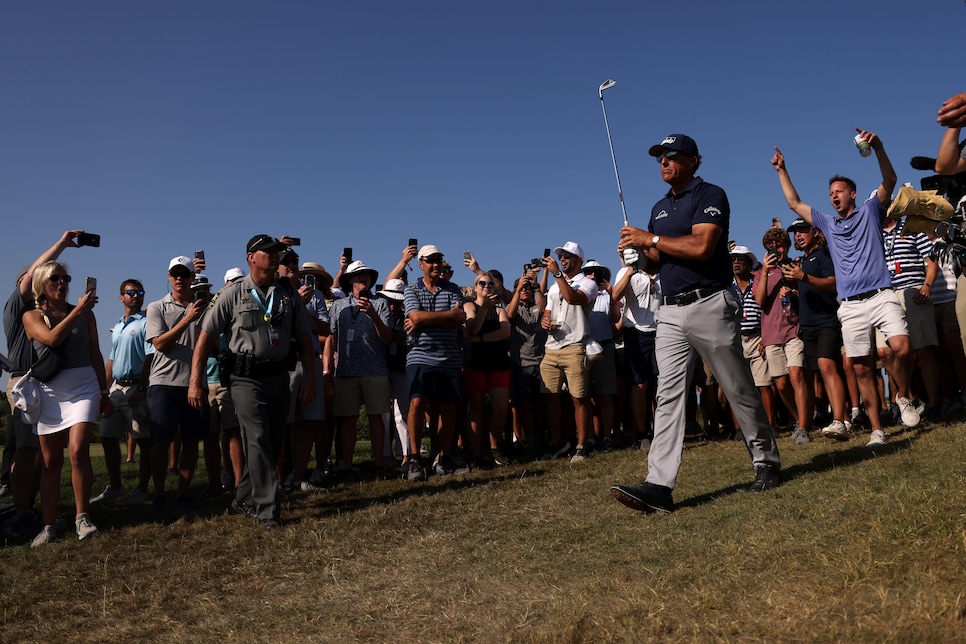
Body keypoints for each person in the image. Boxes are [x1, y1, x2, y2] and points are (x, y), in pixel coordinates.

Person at [611, 133, 782, 515]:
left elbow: (703, 247)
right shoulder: (658, 207)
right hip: (669, 311)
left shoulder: (710, 195)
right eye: (659, 157)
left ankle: (766, 461)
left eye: (672, 156)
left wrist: (650, 237)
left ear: (693, 161)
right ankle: (659, 486)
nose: (664, 162)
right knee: (668, 396)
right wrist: (639, 254)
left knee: (736, 386)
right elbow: (658, 263)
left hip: (710, 303)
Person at [771, 129, 920, 447]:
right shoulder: (826, 223)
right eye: (830, 193)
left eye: (839, 191)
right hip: (850, 305)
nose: (834, 196)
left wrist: (878, 147)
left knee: (902, 348)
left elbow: (890, 179)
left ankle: (904, 395)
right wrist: (782, 170)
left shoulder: (870, 211)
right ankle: (877, 430)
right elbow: (795, 202)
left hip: (881, 295)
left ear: (853, 194)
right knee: (861, 368)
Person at [189, 234, 317, 529]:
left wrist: (310, 378)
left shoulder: (287, 294)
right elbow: (205, 337)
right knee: (258, 439)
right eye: (268, 252)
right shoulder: (232, 294)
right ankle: (267, 510)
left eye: (277, 252)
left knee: (270, 443)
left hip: (278, 377)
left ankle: (242, 496)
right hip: (245, 379)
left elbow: (306, 341)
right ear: (251, 257)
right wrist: (195, 379)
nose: (275, 256)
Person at [22, 261, 112, 546]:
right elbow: (51, 338)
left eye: (65, 278)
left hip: (84, 385)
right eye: (55, 278)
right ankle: (49, 526)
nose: (62, 282)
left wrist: (103, 390)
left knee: (77, 451)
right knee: (51, 462)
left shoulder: (86, 315)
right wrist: (79, 311)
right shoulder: (32, 316)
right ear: (42, 285)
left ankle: (81, 517)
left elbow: (95, 352)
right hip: (50, 391)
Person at [2, 231, 82, 540]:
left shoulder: (45, 311)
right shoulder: (17, 306)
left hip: (43, 382)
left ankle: (30, 510)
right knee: (26, 451)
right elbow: (35, 273)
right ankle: (22, 514)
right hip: (24, 383)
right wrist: (62, 244)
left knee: (39, 454)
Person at [145, 256, 210, 512]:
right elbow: (159, 343)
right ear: (169, 277)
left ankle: (183, 492)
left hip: (195, 383)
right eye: (176, 274)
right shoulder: (157, 307)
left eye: (185, 274)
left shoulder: (203, 307)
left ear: (193, 278)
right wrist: (186, 318)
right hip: (163, 382)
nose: (180, 278)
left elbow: (213, 343)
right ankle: (160, 493)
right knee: (161, 441)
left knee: (192, 440)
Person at [780, 219, 850, 439]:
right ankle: (810, 424)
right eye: (795, 233)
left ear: (815, 233)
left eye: (802, 231)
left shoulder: (824, 255)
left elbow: (833, 283)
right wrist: (794, 293)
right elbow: (811, 290)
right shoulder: (802, 262)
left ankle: (840, 421)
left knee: (827, 367)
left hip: (826, 322)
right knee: (812, 376)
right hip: (807, 325)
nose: (798, 235)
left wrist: (804, 278)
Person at [402, 244, 465, 480]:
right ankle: (416, 459)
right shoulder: (411, 290)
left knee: (449, 408)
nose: (436, 264)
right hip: (420, 356)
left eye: (439, 259)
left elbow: (459, 320)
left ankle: (443, 456)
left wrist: (426, 320)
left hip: (449, 357)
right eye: (430, 260)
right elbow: (414, 316)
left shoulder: (453, 289)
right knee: (418, 403)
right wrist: (445, 317)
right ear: (421, 264)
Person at [328, 260, 393, 475]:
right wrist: (329, 368)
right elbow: (332, 337)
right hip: (345, 371)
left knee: (377, 417)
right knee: (347, 420)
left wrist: (373, 314)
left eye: (367, 274)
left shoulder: (381, 303)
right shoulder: (338, 305)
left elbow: (388, 337)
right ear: (350, 281)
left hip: (375, 369)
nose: (364, 278)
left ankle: (379, 464)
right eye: (359, 275)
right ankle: (346, 465)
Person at [92, 278, 153, 505]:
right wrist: (103, 391)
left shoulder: (147, 322)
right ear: (121, 297)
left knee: (144, 440)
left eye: (140, 292)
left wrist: (143, 387)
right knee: (108, 437)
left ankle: (142, 489)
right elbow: (111, 360)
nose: (136, 295)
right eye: (131, 292)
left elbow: (151, 356)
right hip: (117, 388)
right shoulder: (118, 325)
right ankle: (115, 487)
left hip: (137, 387)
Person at [539, 241, 598, 461]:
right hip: (552, 346)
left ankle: (582, 446)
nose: (562, 260)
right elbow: (548, 310)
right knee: (551, 397)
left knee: (579, 398)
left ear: (579, 260)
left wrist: (556, 275)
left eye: (567, 256)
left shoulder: (588, 283)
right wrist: (545, 319)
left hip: (575, 345)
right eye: (561, 257)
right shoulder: (555, 285)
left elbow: (573, 299)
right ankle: (558, 443)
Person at [754, 227, 811, 444]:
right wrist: (767, 272)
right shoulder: (760, 273)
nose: (776, 250)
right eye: (772, 247)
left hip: (793, 330)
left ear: (786, 246)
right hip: (771, 334)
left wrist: (794, 292)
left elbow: (805, 293)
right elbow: (760, 301)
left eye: (780, 245)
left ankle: (804, 427)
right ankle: (799, 420)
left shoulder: (795, 267)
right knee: (781, 384)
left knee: (796, 375)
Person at [612, 246, 661, 450]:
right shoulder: (627, 272)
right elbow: (615, 294)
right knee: (639, 386)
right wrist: (631, 269)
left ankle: (663, 432)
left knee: (663, 385)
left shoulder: (664, 272)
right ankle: (642, 433)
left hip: (661, 331)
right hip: (636, 333)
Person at [463, 271, 512, 467]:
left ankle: (493, 448)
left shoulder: (500, 309)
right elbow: (472, 328)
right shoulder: (469, 305)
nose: (486, 287)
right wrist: (484, 309)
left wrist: (481, 339)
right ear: (475, 288)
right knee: (476, 410)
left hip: (498, 363)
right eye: (482, 284)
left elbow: (505, 332)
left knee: (501, 408)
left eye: (490, 284)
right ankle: (476, 453)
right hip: (476, 363)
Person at [728, 245, 778, 433]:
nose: (737, 262)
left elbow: (766, 310)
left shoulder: (758, 281)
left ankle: (770, 425)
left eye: (741, 259)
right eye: (734, 259)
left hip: (757, 336)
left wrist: (765, 337)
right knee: (737, 386)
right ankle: (740, 428)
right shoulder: (726, 284)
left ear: (750, 263)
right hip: (735, 338)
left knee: (764, 383)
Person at [506, 265, 547, 459]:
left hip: (541, 361)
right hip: (520, 363)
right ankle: (530, 443)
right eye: (521, 288)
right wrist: (517, 289)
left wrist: (535, 285)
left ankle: (540, 441)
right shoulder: (516, 306)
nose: (525, 290)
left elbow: (545, 308)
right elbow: (510, 315)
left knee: (541, 406)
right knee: (525, 406)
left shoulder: (537, 306)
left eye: (527, 288)